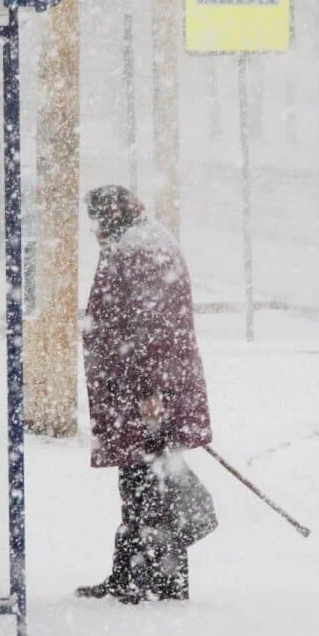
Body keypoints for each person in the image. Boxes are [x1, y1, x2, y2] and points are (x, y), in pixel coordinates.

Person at [75, 184, 218, 605]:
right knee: (145, 482)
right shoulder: (140, 239)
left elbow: (153, 326)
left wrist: (149, 390)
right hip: (142, 390)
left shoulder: (137, 248)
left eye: (95, 221)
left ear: (110, 216)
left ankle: (154, 582)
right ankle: (135, 576)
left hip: (145, 395)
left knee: (148, 486)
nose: (93, 231)